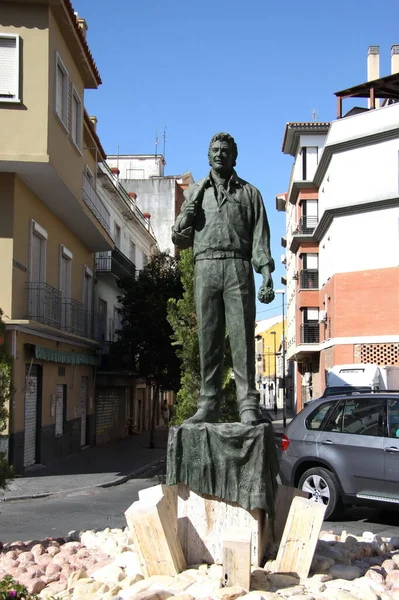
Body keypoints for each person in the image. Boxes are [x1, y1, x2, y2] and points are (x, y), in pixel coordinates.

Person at [172, 132, 275, 426]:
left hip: (237, 266)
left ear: (234, 156)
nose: (219, 154)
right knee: (209, 338)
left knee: (242, 338)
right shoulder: (195, 193)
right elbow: (178, 238)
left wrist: (266, 272)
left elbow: (260, 239)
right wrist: (186, 218)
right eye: (214, 150)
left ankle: (247, 404)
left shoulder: (250, 193)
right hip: (205, 266)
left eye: (225, 150)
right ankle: (208, 403)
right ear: (208, 156)